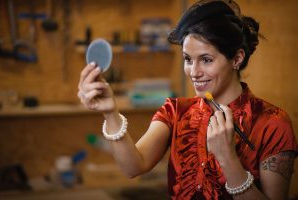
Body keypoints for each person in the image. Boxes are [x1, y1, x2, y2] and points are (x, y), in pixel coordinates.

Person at [77, 0, 298, 199]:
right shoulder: (175, 111)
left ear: (237, 58)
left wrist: (227, 158)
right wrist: (110, 112)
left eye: (206, 60)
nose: (194, 71)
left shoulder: (273, 123)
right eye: (187, 59)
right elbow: (134, 166)